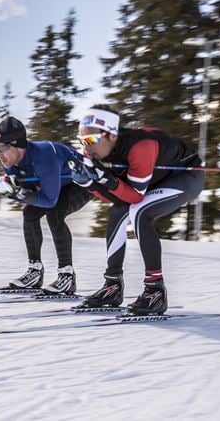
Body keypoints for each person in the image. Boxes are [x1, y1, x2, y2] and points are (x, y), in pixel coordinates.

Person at [68, 105, 204, 314]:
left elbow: (135, 197)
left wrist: (106, 179)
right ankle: (113, 286)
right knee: (118, 212)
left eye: (90, 140)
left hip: (186, 176)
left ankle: (155, 290)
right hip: (155, 180)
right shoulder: (99, 153)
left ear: (111, 135)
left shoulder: (140, 147)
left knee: (141, 212)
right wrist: (90, 185)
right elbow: (118, 198)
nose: (85, 147)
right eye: (81, 140)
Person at [0, 116, 92, 294]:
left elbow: (49, 200)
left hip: (82, 183)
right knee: (29, 214)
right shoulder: (9, 163)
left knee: (55, 214)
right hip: (59, 184)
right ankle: (35, 271)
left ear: (19, 146)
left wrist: (20, 193)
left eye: (3, 147)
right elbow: (29, 194)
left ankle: (67, 276)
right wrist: (13, 190)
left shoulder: (43, 156)